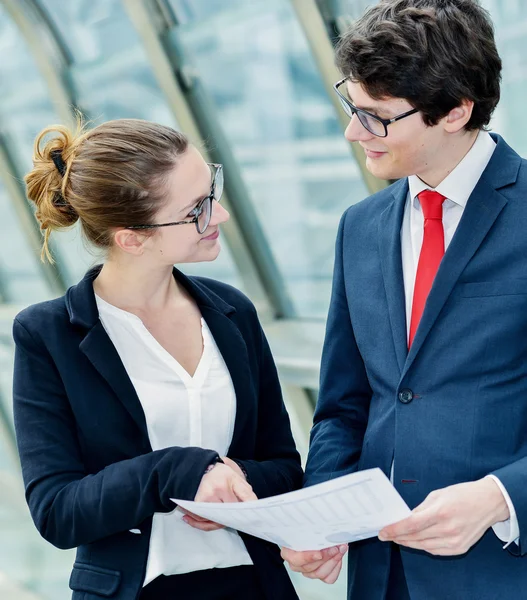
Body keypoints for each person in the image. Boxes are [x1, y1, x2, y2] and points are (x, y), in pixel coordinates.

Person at [281, 0, 527, 598]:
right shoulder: (359, 227)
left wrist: (501, 496)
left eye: (377, 117)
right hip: (379, 575)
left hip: (501, 571)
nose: (352, 132)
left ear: (456, 111)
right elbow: (344, 405)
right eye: (351, 106)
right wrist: (320, 511)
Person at [13, 117, 302, 600]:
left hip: (255, 585)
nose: (222, 215)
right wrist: (182, 471)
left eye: (214, 191)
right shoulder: (48, 335)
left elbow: (285, 467)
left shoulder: (233, 313)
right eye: (197, 209)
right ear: (132, 238)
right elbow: (57, 512)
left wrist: (233, 484)